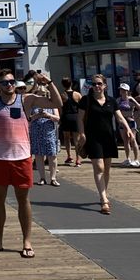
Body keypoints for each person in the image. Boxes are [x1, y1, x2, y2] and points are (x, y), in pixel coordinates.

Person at [0, 68, 62, 258]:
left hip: (22, 158)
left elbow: (57, 103)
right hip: (0, 158)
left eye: (11, 81)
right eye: (5, 82)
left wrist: (49, 82)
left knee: (23, 201)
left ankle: (27, 241)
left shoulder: (26, 99)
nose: (9, 85)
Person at [76, 75, 134, 215]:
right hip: (93, 138)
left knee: (107, 169)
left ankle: (103, 193)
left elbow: (119, 117)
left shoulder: (111, 101)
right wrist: (82, 134)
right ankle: (103, 200)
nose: (96, 86)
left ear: (105, 85)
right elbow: (80, 118)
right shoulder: (86, 100)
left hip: (108, 137)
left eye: (99, 84)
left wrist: (128, 130)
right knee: (99, 167)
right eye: (94, 84)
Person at [29, 84, 61, 186]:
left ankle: (53, 178)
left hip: (49, 133)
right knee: (39, 155)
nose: (42, 97)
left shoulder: (52, 104)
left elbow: (57, 118)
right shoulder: (32, 105)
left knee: (52, 155)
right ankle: (42, 177)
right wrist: (37, 115)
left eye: (44, 94)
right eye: (39, 94)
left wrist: (48, 115)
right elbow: (28, 119)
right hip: (36, 132)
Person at [60, 77, 82, 167]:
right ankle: (78, 159)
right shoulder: (77, 94)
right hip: (75, 117)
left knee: (66, 138)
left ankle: (69, 156)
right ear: (71, 84)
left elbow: (60, 108)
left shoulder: (62, 95)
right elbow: (81, 107)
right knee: (76, 140)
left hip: (66, 116)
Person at [117, 83, 140, 167]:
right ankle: (128, 159)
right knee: (125, 142)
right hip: (122, 123)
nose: (121, 91)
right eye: (120, 89)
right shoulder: (118, 100)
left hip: (131, 122)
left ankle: (136, 159)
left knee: (133, 140)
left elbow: (138, 107)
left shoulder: (130, 99)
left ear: (127, 91)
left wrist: (134, 100)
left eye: (123, 90)